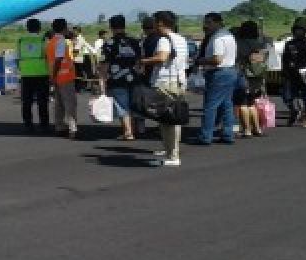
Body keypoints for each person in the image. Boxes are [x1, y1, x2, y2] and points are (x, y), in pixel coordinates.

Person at [140, 10, 189, 166]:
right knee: (173, 118)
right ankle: (170, 152)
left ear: (160, 22)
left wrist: (143, 61)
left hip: (166, 82)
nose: (153, 24)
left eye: (155, 21)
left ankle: (172, 156)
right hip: (178, 80)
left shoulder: (164, 39)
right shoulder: (181, 39)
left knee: (167, 119)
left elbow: (162, 57)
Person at [191, 12, 238, 145]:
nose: (206, 26)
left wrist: (201, 61)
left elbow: (217, 59)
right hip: (230, 71)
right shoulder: (229, 36)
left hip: (219, 72)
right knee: (227, 105)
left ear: (217, 22)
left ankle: (206, 136)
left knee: (211, 106)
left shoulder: (217, 38)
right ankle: (228, 134)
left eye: (208, 22)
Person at [99, 15, 141, 141]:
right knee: (133, 105)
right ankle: (134, 129)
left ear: (111, 27)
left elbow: (104, 64)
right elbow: (140, 60)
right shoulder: (135, 41)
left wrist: (102, 80)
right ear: (124, 25)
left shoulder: (109, 44)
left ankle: (128, 131)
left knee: (122, 105)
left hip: (117, 79)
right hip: (134, 77)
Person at [234, 20, 270, 136]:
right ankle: (257, 129)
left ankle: (247, 130)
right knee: (252, 102)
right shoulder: (261, 44)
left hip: (244, 75)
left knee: (243, 103)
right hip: (258, 76)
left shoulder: (240, 43)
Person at [281, 17, 306, 127]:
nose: (298, 32)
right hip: (292, 72)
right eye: (297, 29)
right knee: (287, 95)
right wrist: (284, 72)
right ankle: (294, 111)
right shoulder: (289, 44)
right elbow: (285, 59)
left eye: (301, 29)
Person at [45, 18, 78, 138]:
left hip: (56, 76)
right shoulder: (61, 41)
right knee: (70, 103)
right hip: (64, 76)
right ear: (64, 28)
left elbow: (49, 60)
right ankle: (72, 128)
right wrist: (54, 75)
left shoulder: (51, 42)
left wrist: (52, 76)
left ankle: (59, 126)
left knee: (59, 103)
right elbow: (59, 59)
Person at [17, 18, 51, 131]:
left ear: (27, 28)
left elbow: (18, 57)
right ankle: (44, 124)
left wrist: (21, 69)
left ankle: (28, 123)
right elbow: (48, 56)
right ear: (39, 28)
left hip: (26, 74)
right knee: (42, 101)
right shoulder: (43, 39)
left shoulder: (21, 40)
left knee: (26, 101)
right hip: (42, 73)